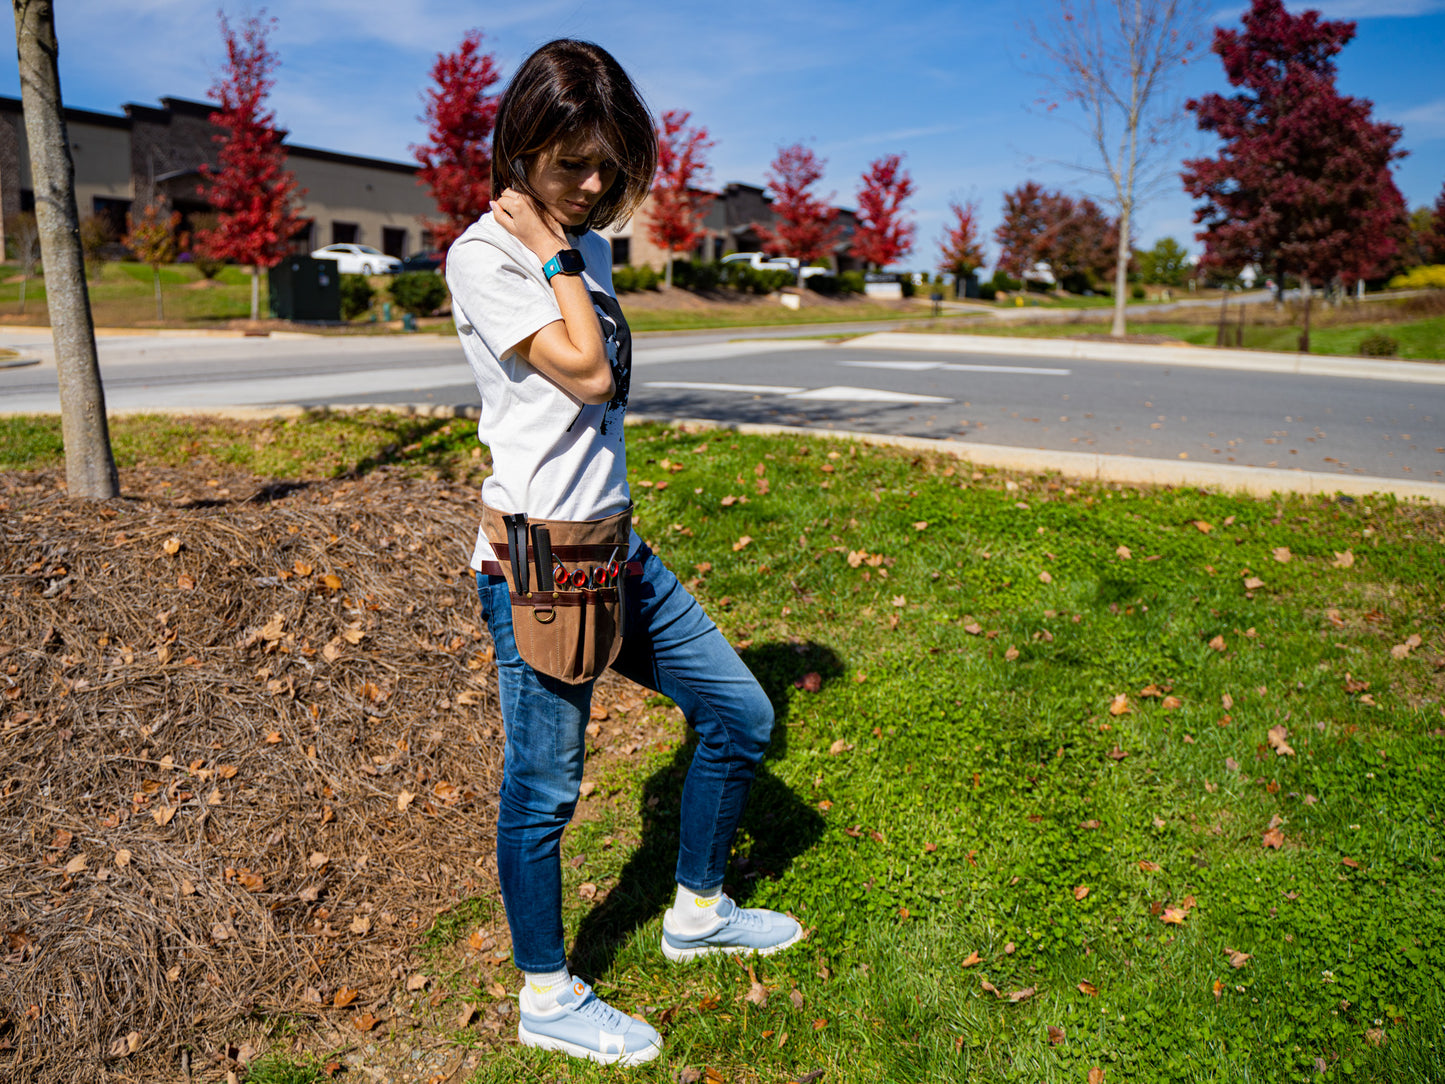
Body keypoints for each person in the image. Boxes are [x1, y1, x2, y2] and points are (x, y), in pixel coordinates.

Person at [445, 39, 801, 1067]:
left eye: (607, 163)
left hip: (615, 541)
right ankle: (547, 994)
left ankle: (694, 907)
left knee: (740, 711)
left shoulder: (584, 242)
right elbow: (589, 378)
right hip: (542, 558)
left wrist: (568, 243)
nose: (594, 185)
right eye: (569, 165)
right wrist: (552, 253)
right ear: (519, 150)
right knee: (544, 788)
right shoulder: (488, 256)